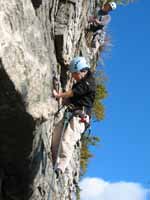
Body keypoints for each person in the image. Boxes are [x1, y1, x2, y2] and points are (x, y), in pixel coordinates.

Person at [51, 57, 96, 177]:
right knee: (56, 137)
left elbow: (73, 93)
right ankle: (53, 161)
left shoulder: (89, 82)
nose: (73, 77)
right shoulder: (81, 82)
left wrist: (59, 95)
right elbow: (72, 97)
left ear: (82, 71)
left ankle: (60, 167)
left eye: (75, 74)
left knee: (67, 140)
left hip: (80, 118)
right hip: (72, 113)